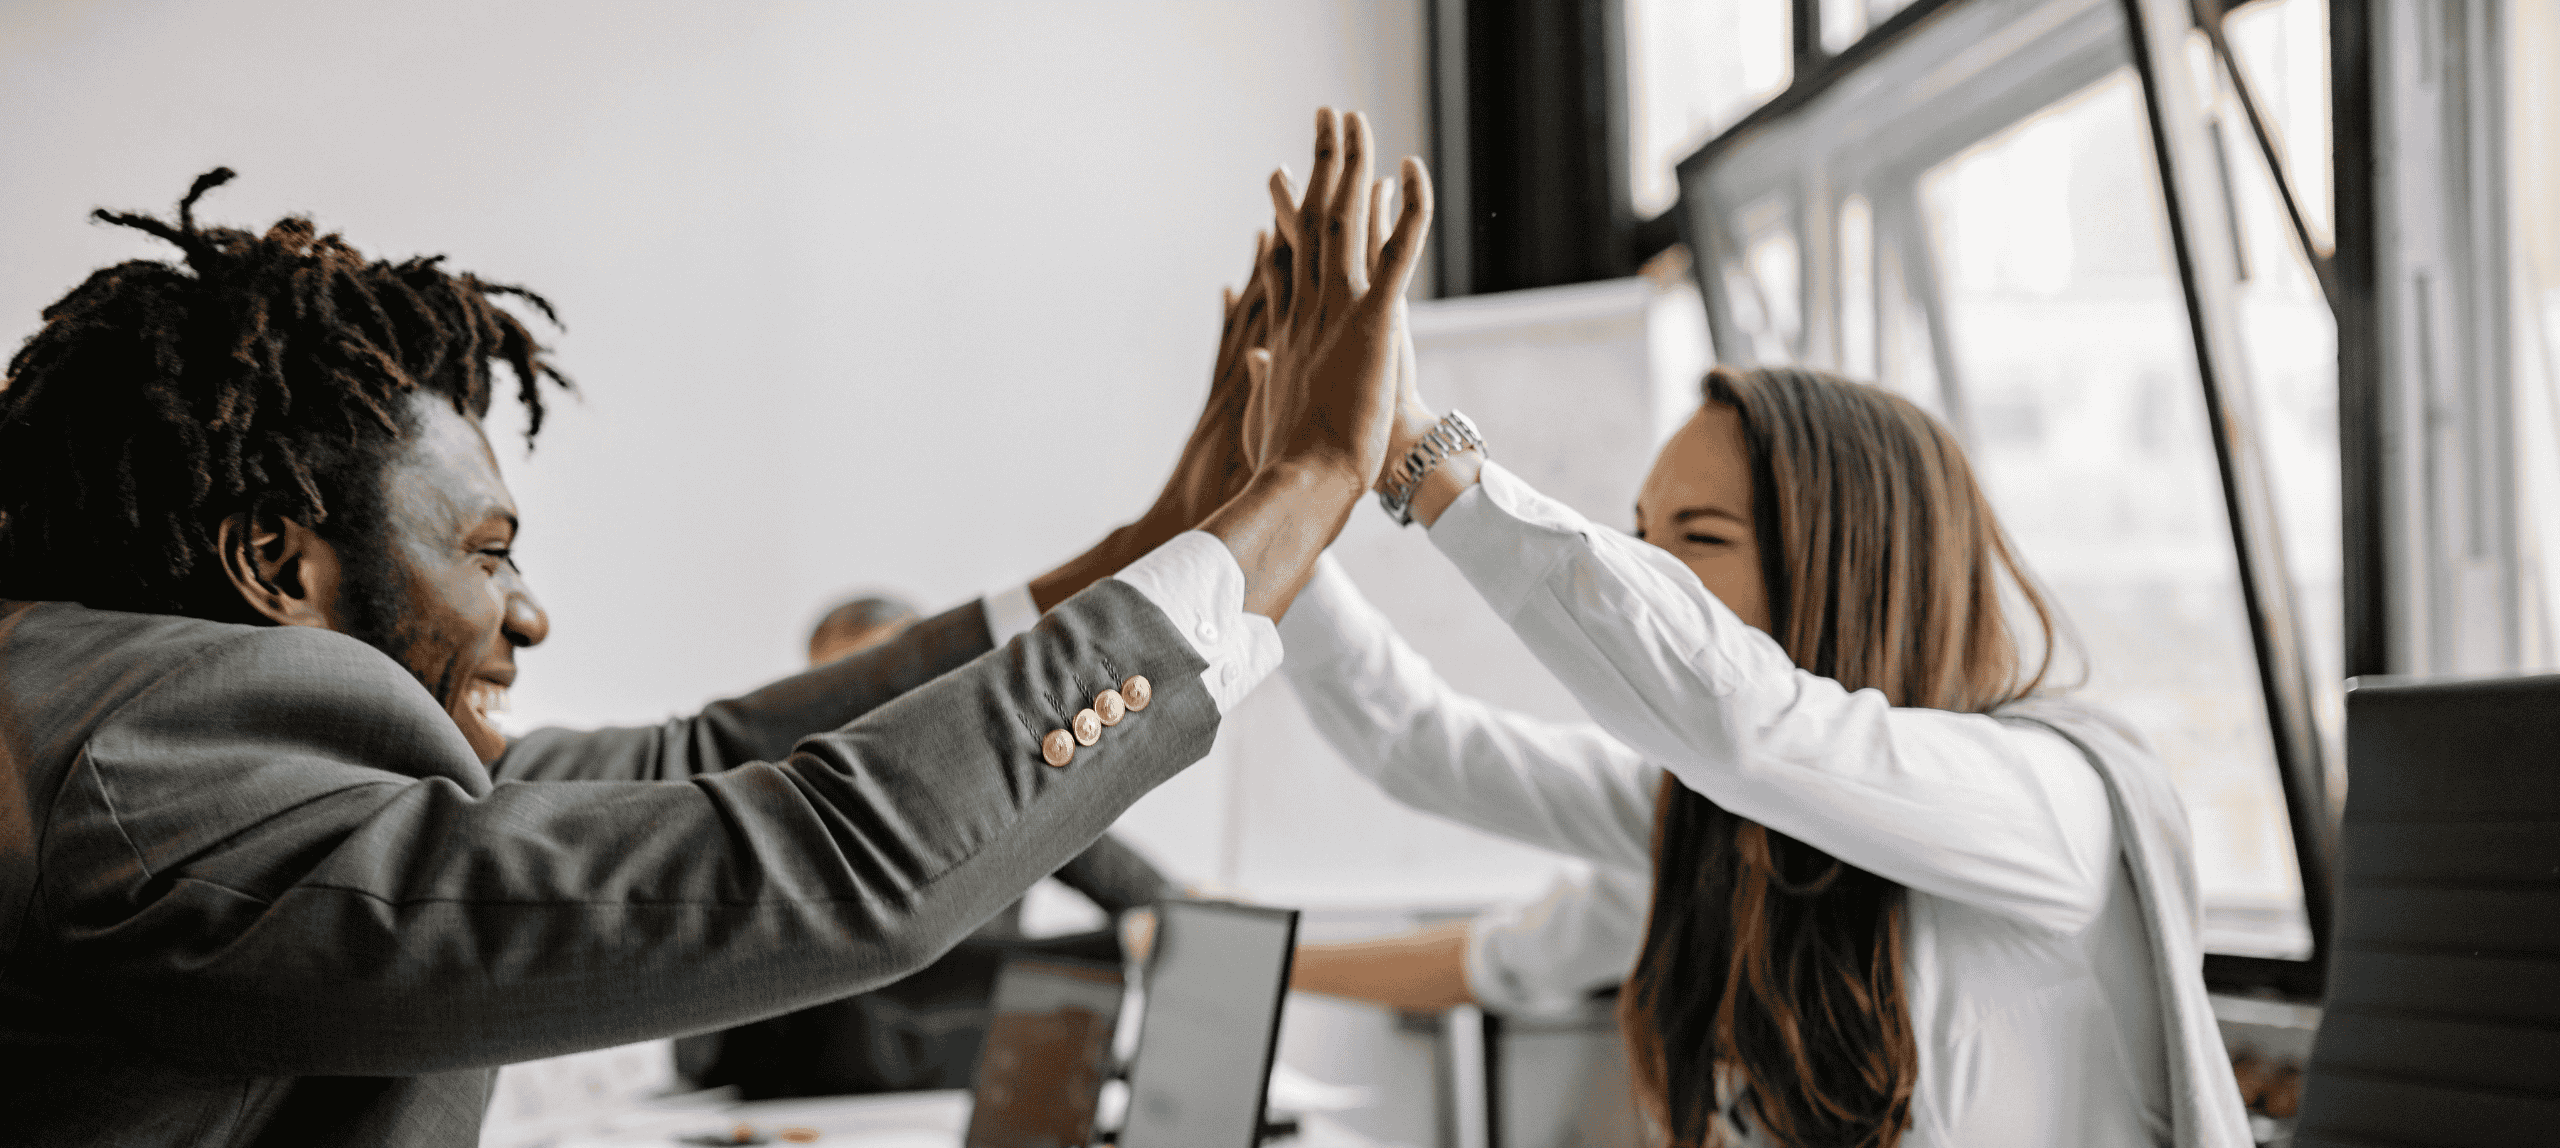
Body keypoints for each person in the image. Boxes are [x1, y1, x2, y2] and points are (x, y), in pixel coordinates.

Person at [0, 108, 1432, 1145]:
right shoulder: (155, 781)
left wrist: (1148, 552)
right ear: (275, 562)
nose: (528, 613)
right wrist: (1306, 485)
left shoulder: (127, 713)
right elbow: (829, 863)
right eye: (489, 555)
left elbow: (702, 751)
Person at [1271, 360, 2251, 1146]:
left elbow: (1744, 723)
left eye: (1696, 537)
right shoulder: (1705, 815)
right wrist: (1277, 518)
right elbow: (1418, 745)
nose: (1653, 573)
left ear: (1851, 566)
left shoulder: (2049, 799)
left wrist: (1420, 453)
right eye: (1640, 538)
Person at [678, 593, 1173, 1097]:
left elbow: (1146, 894)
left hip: (965, 1080)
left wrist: (1175, 922)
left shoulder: (1001, 776)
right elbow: (900, 959)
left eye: (880, 685)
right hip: (820, 1093)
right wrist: (1110, 949)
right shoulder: (788, 801)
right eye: (832, 692)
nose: (859, 716)